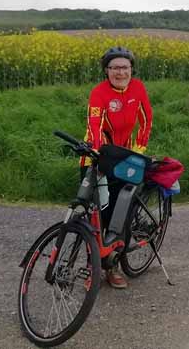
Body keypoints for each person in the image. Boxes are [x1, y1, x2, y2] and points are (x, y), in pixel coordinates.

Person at [81, 46, 153, 288]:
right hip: (97, 157)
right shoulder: (99, 93)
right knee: (96, 216)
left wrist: (138, 150)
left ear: (131, 69)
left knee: (119, 215)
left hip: (125, 159)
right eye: (114, 68)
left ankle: (112, 267)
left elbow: (146, 120)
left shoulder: (138, 88)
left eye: (125, 67)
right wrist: (99, 156)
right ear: (106, 71)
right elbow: (94, 125)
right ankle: (92, 267)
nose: (120, 72)